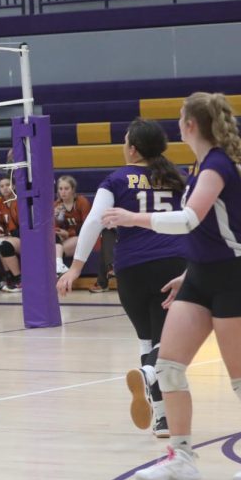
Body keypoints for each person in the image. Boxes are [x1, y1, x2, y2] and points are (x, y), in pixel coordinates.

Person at [101, 92, 241, 480]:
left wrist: (134, 217)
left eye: (180, 119)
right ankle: (181, 456)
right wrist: (189, 275)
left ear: (190, 125)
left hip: (235, 280)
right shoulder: (199, 164)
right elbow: (207, 232)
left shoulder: (217, 165)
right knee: (168, 368)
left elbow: (189, 220)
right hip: (200, 275)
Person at [57, 120, 188, 437]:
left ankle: (161, 416)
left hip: (130, 269)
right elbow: (190, 222)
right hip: (170, 263)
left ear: (132, 149)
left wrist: (75, 268)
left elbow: (93, 223)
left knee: (147, 340)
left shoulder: (116, 179)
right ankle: (147, 376)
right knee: (165, 346)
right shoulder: (176, 178)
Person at [53, 176, 91, 275]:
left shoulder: (81, 202)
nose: (63, 192)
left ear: (73, 189)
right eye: (60, 189)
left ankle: (58, 264)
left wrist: (68, 233)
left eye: (66, 189)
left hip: (82, 236)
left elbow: (88, 226)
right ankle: (59, 265)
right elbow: (53, 230)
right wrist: (55, 219)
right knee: (52, 241)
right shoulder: (56, 205)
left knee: (55, 250)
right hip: (64, 239)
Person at [0, 177, 23, 292]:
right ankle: (9, 277)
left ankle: (19, 280)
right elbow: (0, 222)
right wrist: (0, 232)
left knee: (4, 245)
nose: (5, 188)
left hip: (24, 236)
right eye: (2, 186)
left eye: (7, 185)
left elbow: (22, 225)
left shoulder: (19, 200)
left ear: (14, 186)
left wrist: (7, 234)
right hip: (13, 235)